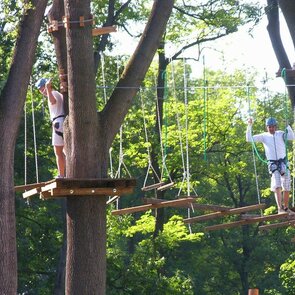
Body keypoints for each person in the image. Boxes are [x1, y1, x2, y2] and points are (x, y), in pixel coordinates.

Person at [246, 117, 295, 215]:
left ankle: (286, 208)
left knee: (286, 186)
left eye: (273, 127)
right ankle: (279, 208)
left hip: (283, 162)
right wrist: (249, 125)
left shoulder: (281, 134)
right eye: (269, 127)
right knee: (277, 185)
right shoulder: (264, 136)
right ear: (266, 127)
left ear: (275, 127)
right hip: (273, 163)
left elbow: (292, 137)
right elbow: (249, 139)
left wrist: (287, 126)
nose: (271, 129)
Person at [35, 78, 66, 178]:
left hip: (58, 123)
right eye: (40, 90)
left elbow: (53, 101)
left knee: (58, 152)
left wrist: (48, 89)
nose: (41, 91)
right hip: (61, 123)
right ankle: (66, 173)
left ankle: (61, 175)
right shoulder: (57, 93)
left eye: (42, 88)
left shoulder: (53, 94)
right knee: (65, 151)